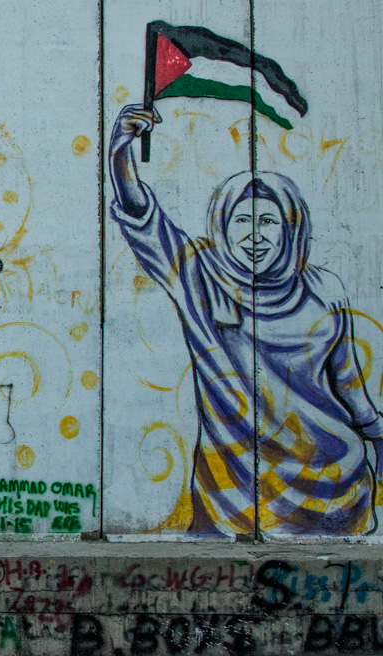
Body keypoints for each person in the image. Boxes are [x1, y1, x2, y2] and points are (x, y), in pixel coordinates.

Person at [109, 106, 383, 537]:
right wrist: (120, 153)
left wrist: (378, 438)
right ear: (223, 224)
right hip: (235, 492)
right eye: (242, 220)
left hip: (336, 487)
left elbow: (347, 382)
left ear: (291, 228)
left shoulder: (323, 289)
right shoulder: (200, 276)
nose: (254, 235)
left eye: (268, 221)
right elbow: (144, 218)